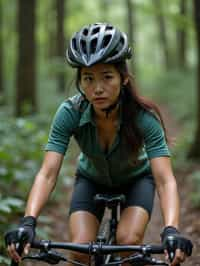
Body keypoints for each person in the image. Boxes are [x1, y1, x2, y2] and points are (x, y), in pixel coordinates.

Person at [5, 22, 192, 266]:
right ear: (80, 81)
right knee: (81, 250)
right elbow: (48, 173)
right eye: (88, 78)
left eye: (107, 77)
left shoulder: (144, 118)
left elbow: (165, 181)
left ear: (124, 78)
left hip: (136, 181)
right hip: (90, 180)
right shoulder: (69, 112)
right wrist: (28, 221)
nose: (98, 88)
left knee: (129, 242)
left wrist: (170, 230)